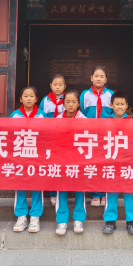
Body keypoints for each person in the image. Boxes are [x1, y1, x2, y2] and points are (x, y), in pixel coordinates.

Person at [10, 86, 47, 233]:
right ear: (20, 99)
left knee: (37, 186)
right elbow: (10, 135)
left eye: (32, 96)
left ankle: (35, 216)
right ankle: (21, 216)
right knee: (20, 185)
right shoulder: (15, 115)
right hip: (20, 156)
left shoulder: (42, 115)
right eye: (25, 96)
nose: (29, 98)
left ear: (36, 99)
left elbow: (47, 135)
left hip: (37, 156)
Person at [103, 92, 133, 235]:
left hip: (128, 164)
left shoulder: (132, 123)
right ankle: (110, 221)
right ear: (111, 105)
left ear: (126, 106)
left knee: (130, 193)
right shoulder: (106, 122)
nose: (119, 107)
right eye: (117, 104)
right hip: (111, 164)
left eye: (122, 104)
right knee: (111, 193)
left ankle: (131, 221)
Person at [80, 65, 114, 207]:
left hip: (106, 135)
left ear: (106, 79)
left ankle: (105, 193)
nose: (98, 79)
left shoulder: (110, 94)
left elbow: (114, 114)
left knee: (106, 163)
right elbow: (82, 113)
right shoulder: (85, 95)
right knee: (92, 164)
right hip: (90, 136)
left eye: (101, 76)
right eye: (96, 76)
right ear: (91, 78)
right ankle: (95, 194)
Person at [54, 89, 86, 235]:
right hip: (62, 160)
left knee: (79, 189)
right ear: (63, 103)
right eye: (68, 102)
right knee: (61, 190)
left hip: (79, 160)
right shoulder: (57, 120)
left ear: (79, 103)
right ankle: (62, 221)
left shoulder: (84, 120)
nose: (71, 104)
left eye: (74, 102)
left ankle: (78, 219)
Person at [39, 74, 66, 206]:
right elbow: (40, 116)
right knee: (52, 165)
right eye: (55, 85)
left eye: (60, 85)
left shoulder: (68, 100)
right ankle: (53, 193)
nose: (57, 87)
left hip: (63, 137)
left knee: (62, 164)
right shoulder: (45, 101)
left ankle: (61, 191)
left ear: (64, 86)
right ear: (51, 85)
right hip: (49, 138)